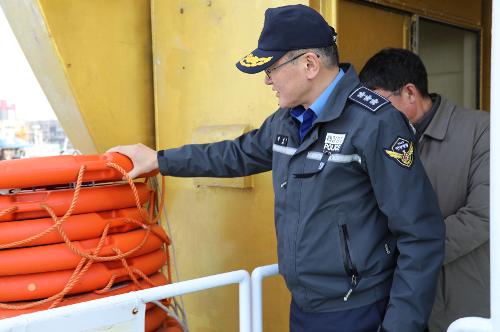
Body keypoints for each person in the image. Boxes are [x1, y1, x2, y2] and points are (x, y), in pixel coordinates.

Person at [109, 6, 444, 332]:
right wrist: (159, 160)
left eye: (271, 69)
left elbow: (421, 234)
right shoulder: (287, 120)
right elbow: (234, 155)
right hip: (303, 308)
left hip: (359, 311)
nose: (267, 80)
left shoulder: (376, 124)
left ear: (310, 64)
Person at [359, 48, 490, 332]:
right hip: (396, 301)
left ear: (409, 92)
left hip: (459, 300)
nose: (373, 115)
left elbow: (483, 215)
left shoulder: (484, 129)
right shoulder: (376, 136)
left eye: (381, 103)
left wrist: (413, 254)